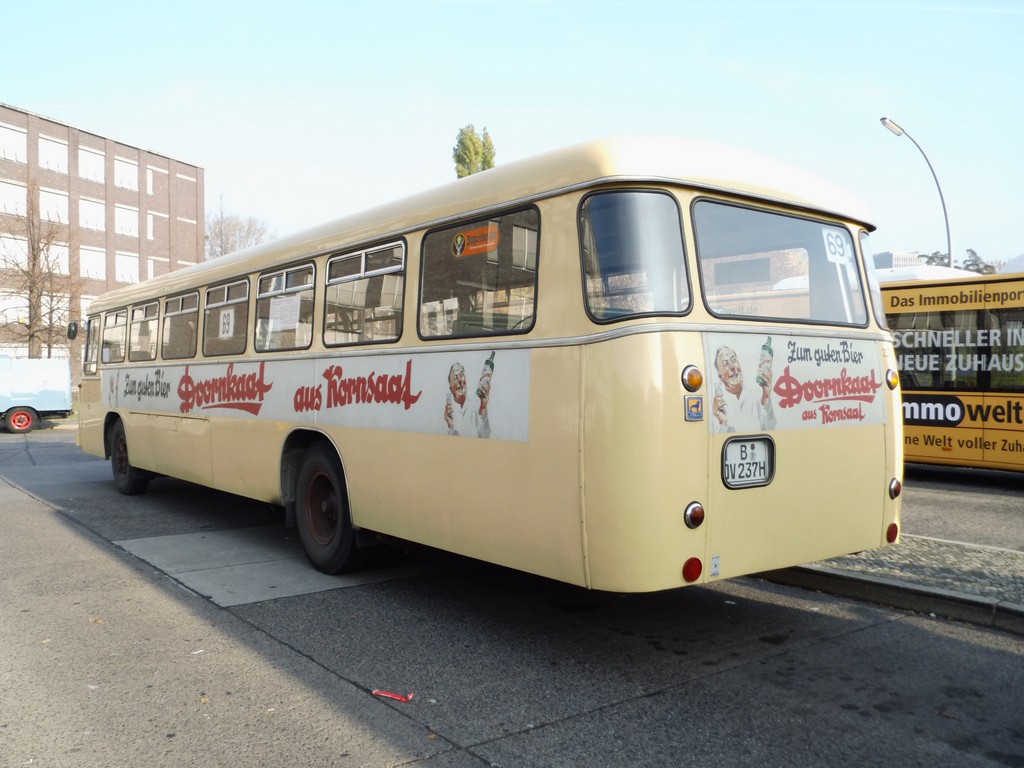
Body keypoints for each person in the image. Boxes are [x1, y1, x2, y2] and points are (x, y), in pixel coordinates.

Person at [712, 345, 776, 433]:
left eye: (734, 360)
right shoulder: (718, 408)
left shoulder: (756, 395)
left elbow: (771, 428)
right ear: (720, 377)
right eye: (725, 364)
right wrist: (723, 423)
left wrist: (766, 397)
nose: (732, 366)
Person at [444, 362, 491, 438]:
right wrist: (450, 426)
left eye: (461, 375)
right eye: (455, 377)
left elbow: (485, 436)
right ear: (451, 388)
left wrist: (483, 407)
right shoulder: (446, 414)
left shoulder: (475, 407)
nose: (460, 380)